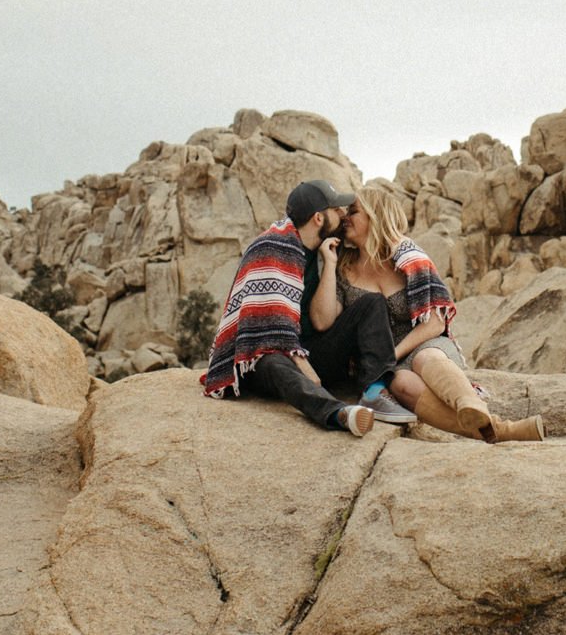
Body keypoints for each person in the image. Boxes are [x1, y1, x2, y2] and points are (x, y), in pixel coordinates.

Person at [200, 179, 415, 433]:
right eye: (336, 210)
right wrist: (303, 365)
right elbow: (265, 328)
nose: (343, 214)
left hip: (309, 351)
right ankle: (338, 413)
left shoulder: (323, 251)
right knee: (271, 361)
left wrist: (330, 263)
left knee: (371, 304)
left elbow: (322, 323)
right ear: (318, 218)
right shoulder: (271, 246)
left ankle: (374, 391)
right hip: (264, 356)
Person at [335, 183, 544, 442]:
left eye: (353, 212)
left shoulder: (408, 257)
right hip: (386, 364)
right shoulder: (342, 269)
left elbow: (434, 324)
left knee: (427, 358)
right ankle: (500, 430)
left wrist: (391, 355)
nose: (345, 218)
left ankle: (472, 406)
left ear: (375, 216)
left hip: (424, 342)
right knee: (402, 385)